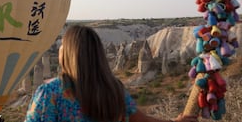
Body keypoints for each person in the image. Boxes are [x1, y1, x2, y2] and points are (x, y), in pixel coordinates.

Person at [25, 25, 198, 122]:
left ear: (69, 53)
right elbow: (140, 120)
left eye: (63, 45)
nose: (60, 49)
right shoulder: (113, 89)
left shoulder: (50, 93)